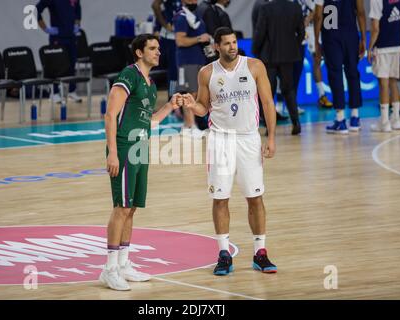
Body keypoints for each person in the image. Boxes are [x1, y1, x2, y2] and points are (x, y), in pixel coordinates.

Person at [183, 27, 277, 275]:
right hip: (220, 140)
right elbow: (204, 107)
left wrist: (272, 138)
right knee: (220, 198)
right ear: (216, 47)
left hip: (249, 139)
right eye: (226, 43)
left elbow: (267, 102)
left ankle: (260, 253)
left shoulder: (255, 66)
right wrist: (193, 106)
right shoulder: (207, 73)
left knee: (255, 197)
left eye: (234, 42)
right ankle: (224, 254)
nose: (232, 47)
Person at [99, 34, 183, 291]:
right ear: (139, 52)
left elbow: (150, 121)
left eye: (158, 48)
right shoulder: (129, 75)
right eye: (152, 48)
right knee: (121, 207)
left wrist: (170, 105)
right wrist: (112, 152)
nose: (158, 52)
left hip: (141, 147)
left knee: (132, 208)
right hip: (125, 147)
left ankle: (124, 264)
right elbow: (110, 115)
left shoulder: (148, 82)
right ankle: (109, 269)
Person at [314, 0, 366, 134]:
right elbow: (360, 12)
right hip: (350, 35)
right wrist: (364, 38)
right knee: (353, 73)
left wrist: (316, 41)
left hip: (331, 37)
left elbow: (318, 16)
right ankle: (355, 117)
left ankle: (340, 119)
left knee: (335, 75)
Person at [253, 0, 305, 135]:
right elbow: (301, 32)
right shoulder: (295, 7)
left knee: (267, 93)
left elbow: (260, 32)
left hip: (269, 57)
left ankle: (270, 129)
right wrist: (293, 46)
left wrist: (255, 51)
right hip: (288, 57)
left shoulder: (265, 8)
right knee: (289, 90)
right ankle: (296, 123)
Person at [174, 0, 211, 137]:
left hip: (200, 61)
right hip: (187, 61)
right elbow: (180, 40)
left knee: (198, 94)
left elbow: (202, 39)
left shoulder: (197, 17)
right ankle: (189, 126)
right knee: (188, 93)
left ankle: (189, 126)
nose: (194, 1)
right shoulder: (181, 17)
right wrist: (199, 38)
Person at [368, 0, 400, 132]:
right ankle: (395, 120)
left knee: (383, 84)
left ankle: (384, 122)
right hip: (396, 45)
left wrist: (370, 47)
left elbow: (375, 28)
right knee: (393, 82)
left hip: (383, 46)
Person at [36, 0, 83, 104]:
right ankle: (54, 92)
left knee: (72, 64)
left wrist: (77, 24)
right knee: (56, 66)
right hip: (57, 37)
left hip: (71, 36)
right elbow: (37, 10)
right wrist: (45, 28)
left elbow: (78, 11)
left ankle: (71, 90)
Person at [293, 0, 333, 109]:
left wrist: (306, 21)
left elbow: (316, 8)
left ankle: (322, 95)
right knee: (295, 66)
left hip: (312, 29)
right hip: (298, 31)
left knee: (318, 59)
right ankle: (291, 103)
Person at [152, 0, 182, 99]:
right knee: (173, 74)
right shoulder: (166, 8)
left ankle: (180, 102)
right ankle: (172, 99)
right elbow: (155, 5)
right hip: (171, 40)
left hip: (184, 39)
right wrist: (164, 24)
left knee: (182, 73)